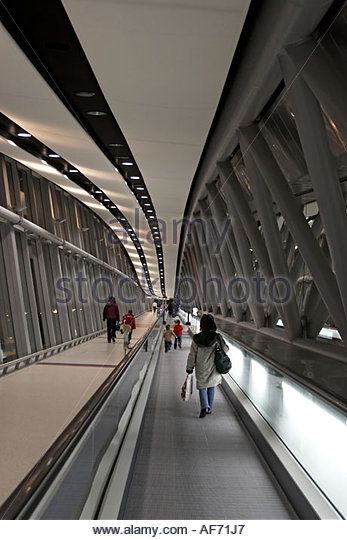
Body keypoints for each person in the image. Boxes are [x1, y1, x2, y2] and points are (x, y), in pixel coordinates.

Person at [186, 314, 229, 418]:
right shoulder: (217, 337)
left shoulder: (197, 338)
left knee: (202, 387)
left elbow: (192, 354)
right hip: (214, 366)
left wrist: (189, 367)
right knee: (211, 386)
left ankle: (204, 407)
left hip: (201, 366)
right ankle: (209, 408)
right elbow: (226, 349)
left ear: (202, 325)